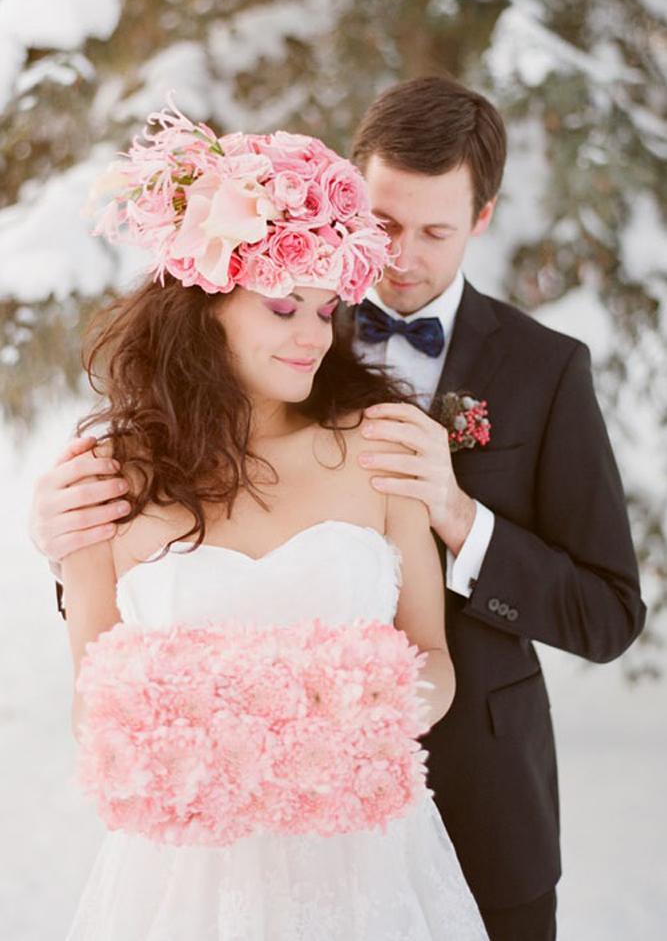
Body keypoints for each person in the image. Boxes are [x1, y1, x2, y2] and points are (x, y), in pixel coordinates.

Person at [30, 76, 646, 940]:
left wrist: (460, 519)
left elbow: (607, 613)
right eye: (383, 225)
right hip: (213, 852)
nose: (398, 256)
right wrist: (63, 543)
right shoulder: (290, 305)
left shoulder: (544, 371)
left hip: (472, 798)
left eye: (434, 231)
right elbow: (125, 621)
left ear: (480, 217)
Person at [56, 117, 489, 939]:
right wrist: (213, 741)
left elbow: (431, 657)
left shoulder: (380, 444)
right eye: (285, 306)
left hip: (368, 869)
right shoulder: (110, 476)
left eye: (327, 311)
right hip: (181, 883)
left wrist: (349, 719)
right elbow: (92, 699)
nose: (313, 336)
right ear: (203, 306)